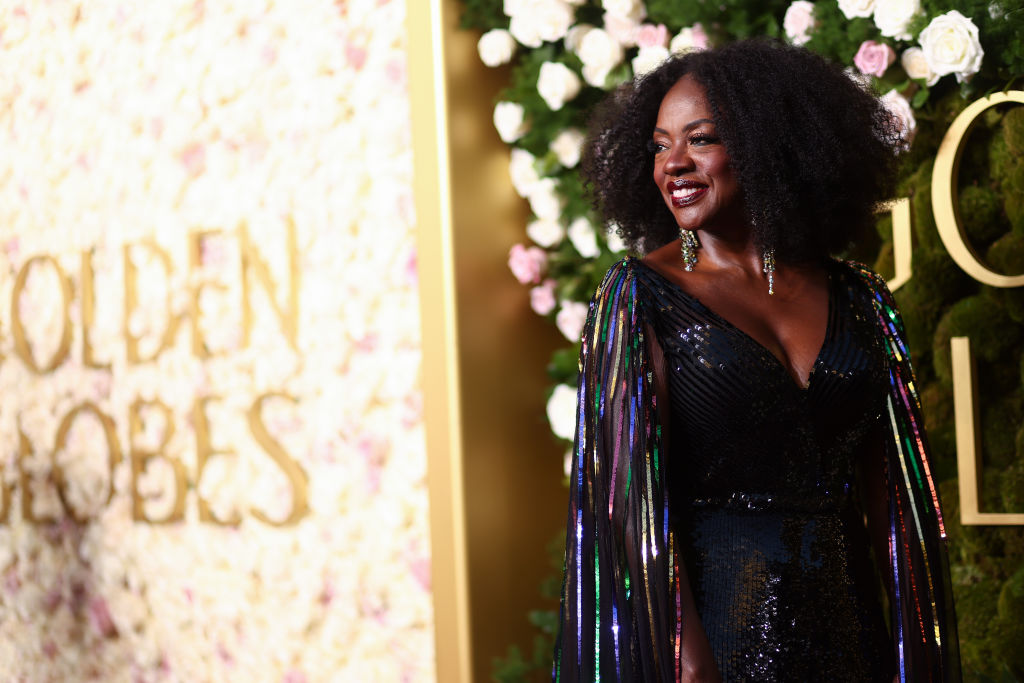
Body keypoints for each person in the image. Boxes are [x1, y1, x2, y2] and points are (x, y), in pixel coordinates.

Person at [552, 40, 960, 682]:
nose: (673, 164)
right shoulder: (640, 296)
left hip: (852, 637)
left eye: (700, 139)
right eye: (659, 146)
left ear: (769, 145)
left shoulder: (861, 298)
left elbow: (893, 499)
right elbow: (629, 507)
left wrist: (918, 653)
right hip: (720, 641)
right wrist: (689, 661)